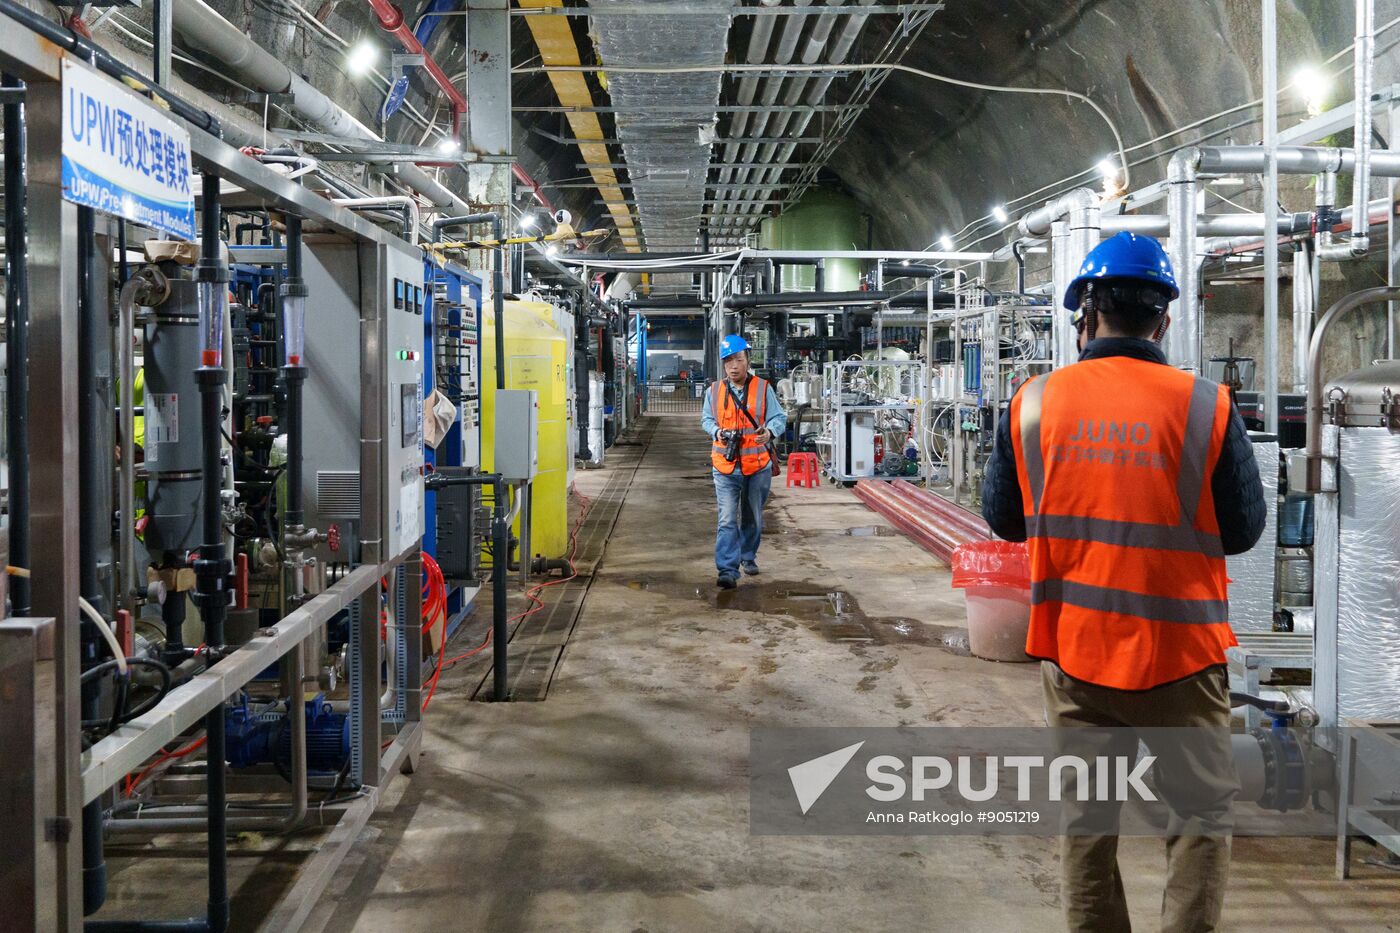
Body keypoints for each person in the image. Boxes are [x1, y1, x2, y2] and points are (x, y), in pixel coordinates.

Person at [981, 232, 1266, 933]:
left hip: (1075, 655)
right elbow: (1244, 530)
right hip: (1182, 661)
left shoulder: (1034, 403)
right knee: (1198, 818)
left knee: (1087, 823)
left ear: (1086, 314)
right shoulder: (1206, 405)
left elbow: (1003, 520)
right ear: (1162, 320)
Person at [701, 334, 786, 589]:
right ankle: (727, 569)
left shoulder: (763, 388)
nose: (733, 366)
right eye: (728, 361)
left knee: (753, 517)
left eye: (738, 359)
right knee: (727, 519)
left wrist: (769, 432)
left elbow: (779, 417)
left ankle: (747, 556)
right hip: (725, 466)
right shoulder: (714, 391)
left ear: (748, 360)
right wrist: (716, 432)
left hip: (757, 466)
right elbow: (706, 420)